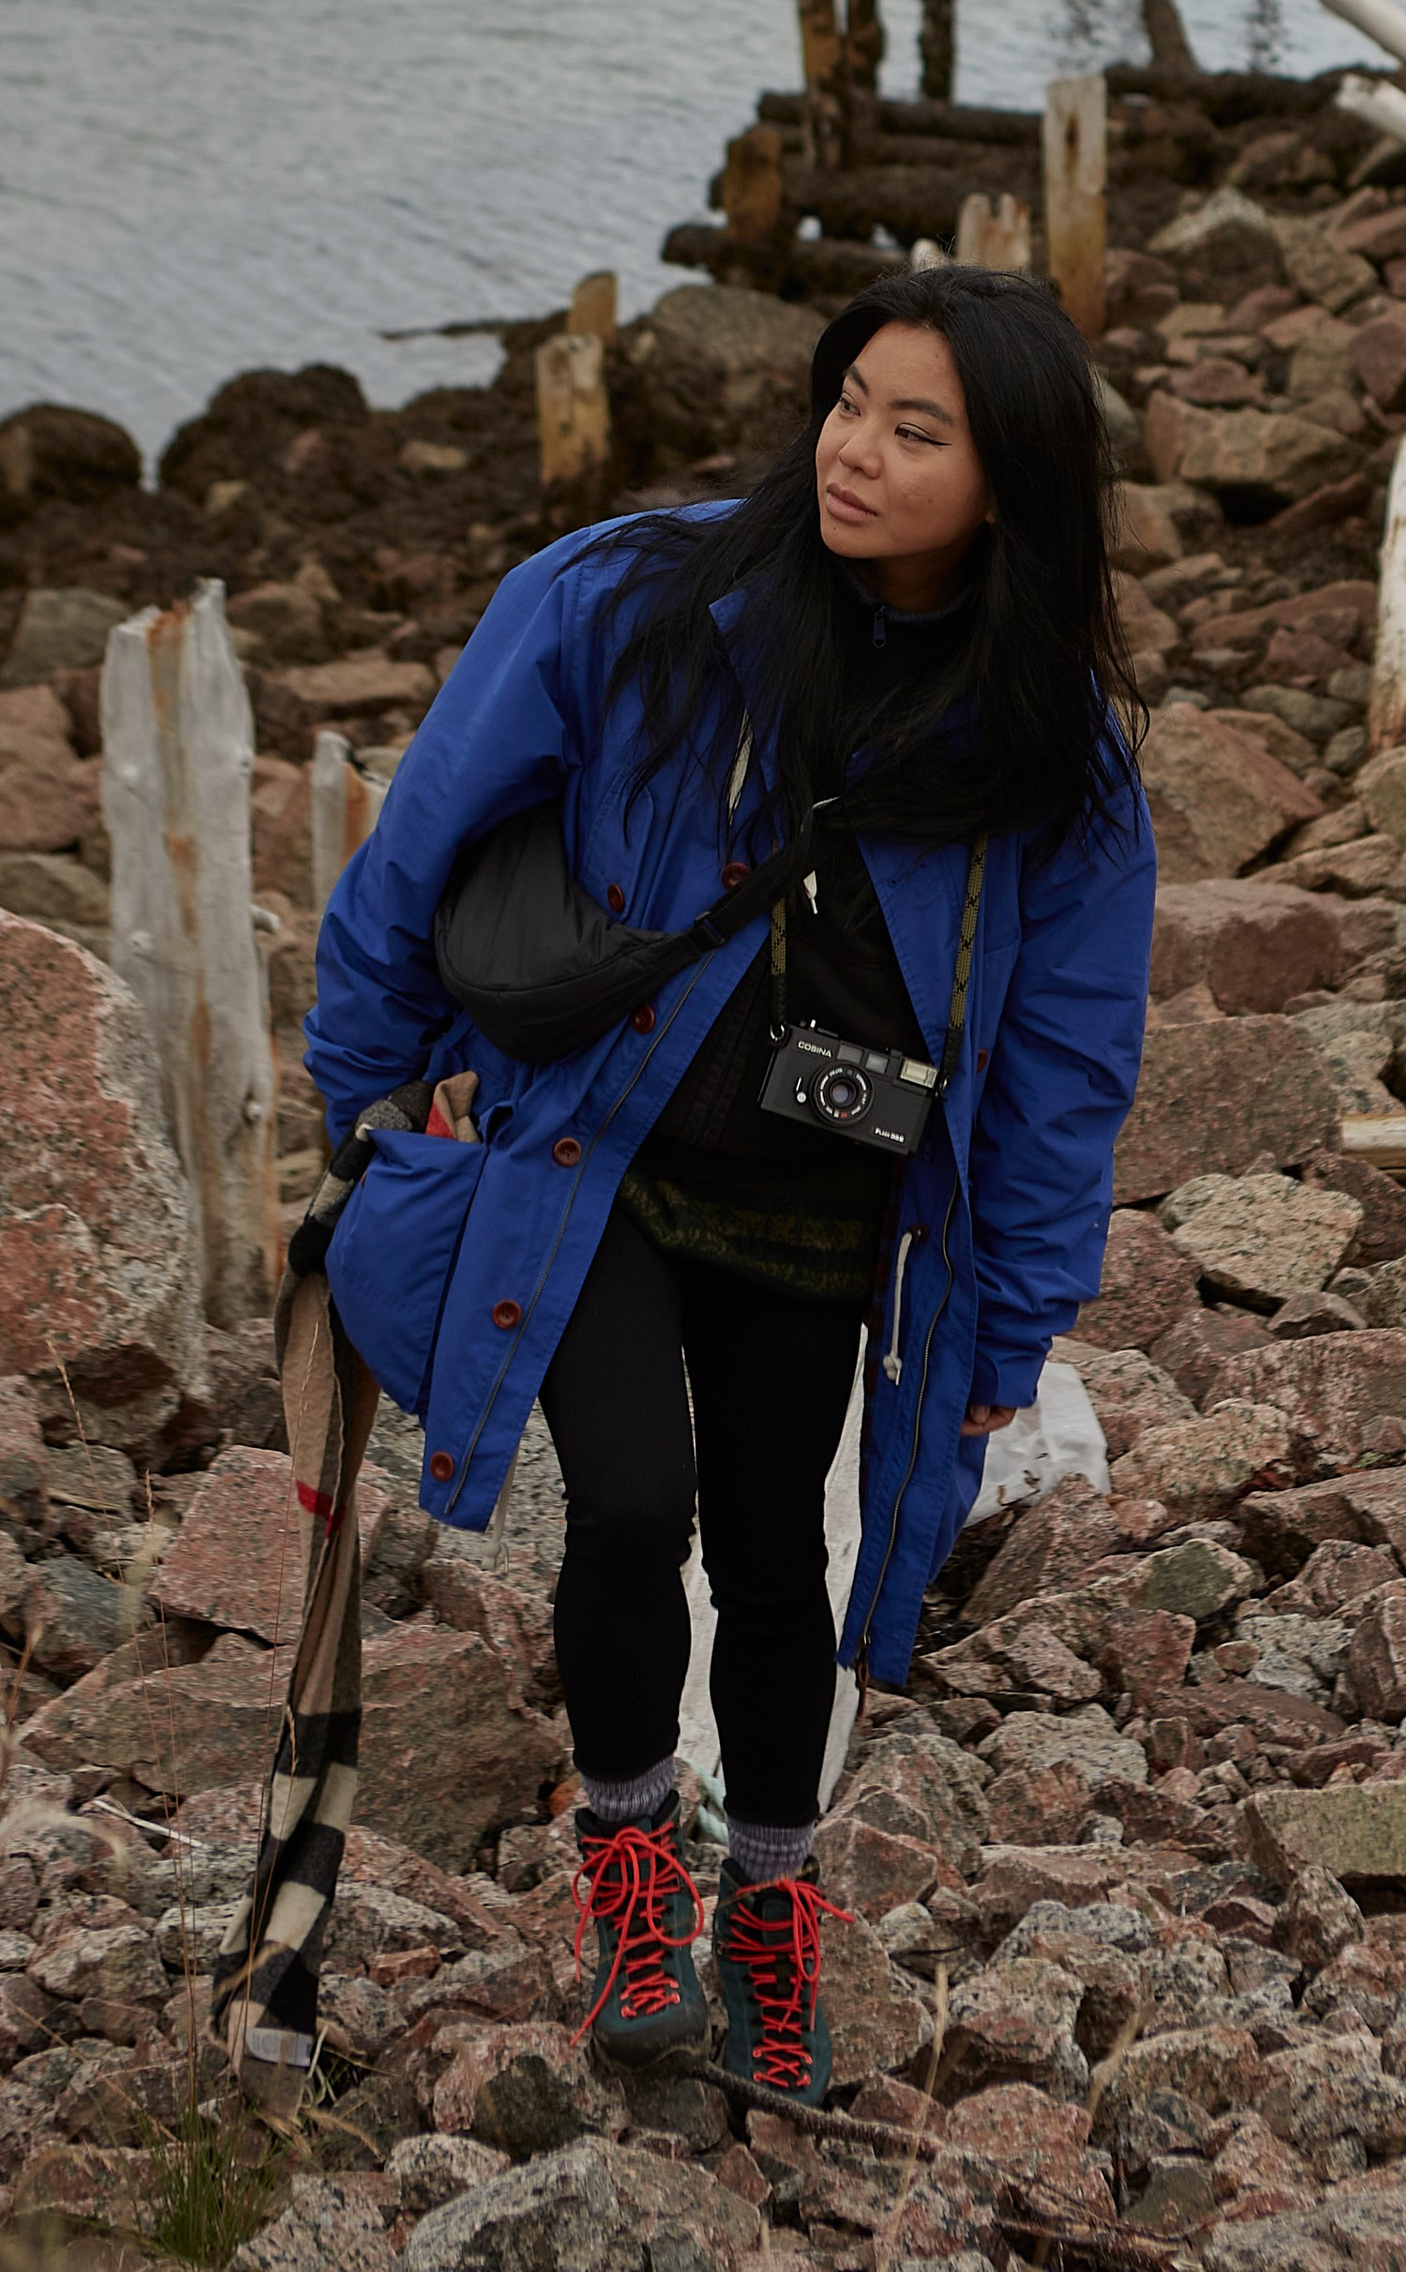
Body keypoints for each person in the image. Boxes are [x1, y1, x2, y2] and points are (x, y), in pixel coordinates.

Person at [302, 267, 1154, 2097]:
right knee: (628, 1506)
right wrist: (359, 1087)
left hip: (827, 1204)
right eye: (848, 402)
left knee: (780, 1560)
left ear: (1007, 486)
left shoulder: (1047, 738)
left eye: (915, 432)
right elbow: (424, 834)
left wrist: (1017, 1311)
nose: (854, 450)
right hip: (598, 1163)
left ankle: (770, 1906)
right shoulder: (633, 599)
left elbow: (1068, 1055)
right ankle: (632, 1874)